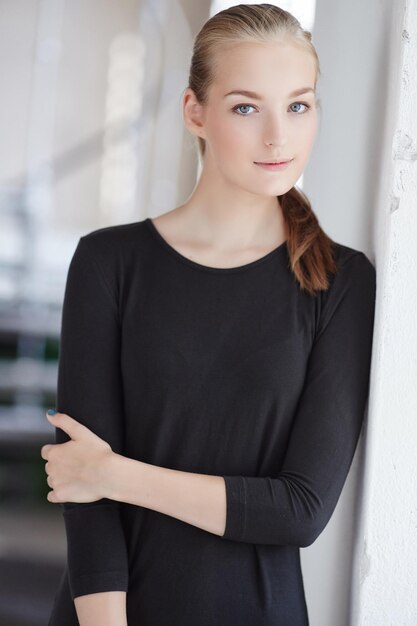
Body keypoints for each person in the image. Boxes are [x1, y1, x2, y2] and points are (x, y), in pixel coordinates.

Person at [42, 4, 377, 625]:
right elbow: (83, 500)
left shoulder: (341, 282)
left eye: (298, 105)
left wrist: (115, 475)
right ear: (195, 111)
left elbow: (300, 511)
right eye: (246, 107)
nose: (279, 136)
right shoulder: (107, 262)